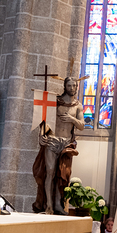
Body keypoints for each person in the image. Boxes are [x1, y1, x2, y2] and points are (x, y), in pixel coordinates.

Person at [33, 76, 85, 214]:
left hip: (66, 143)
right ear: (64, 86)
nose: (72, 88)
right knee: (50, 171)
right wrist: (42, 134)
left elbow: (81, 126)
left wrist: (72, 119)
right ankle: (48, 205)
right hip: (53, 140)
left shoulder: (78, 106)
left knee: (61, 175)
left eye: (74, 86)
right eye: (69, 85)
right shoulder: (56, 102)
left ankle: (57, 204)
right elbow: (45, 119)